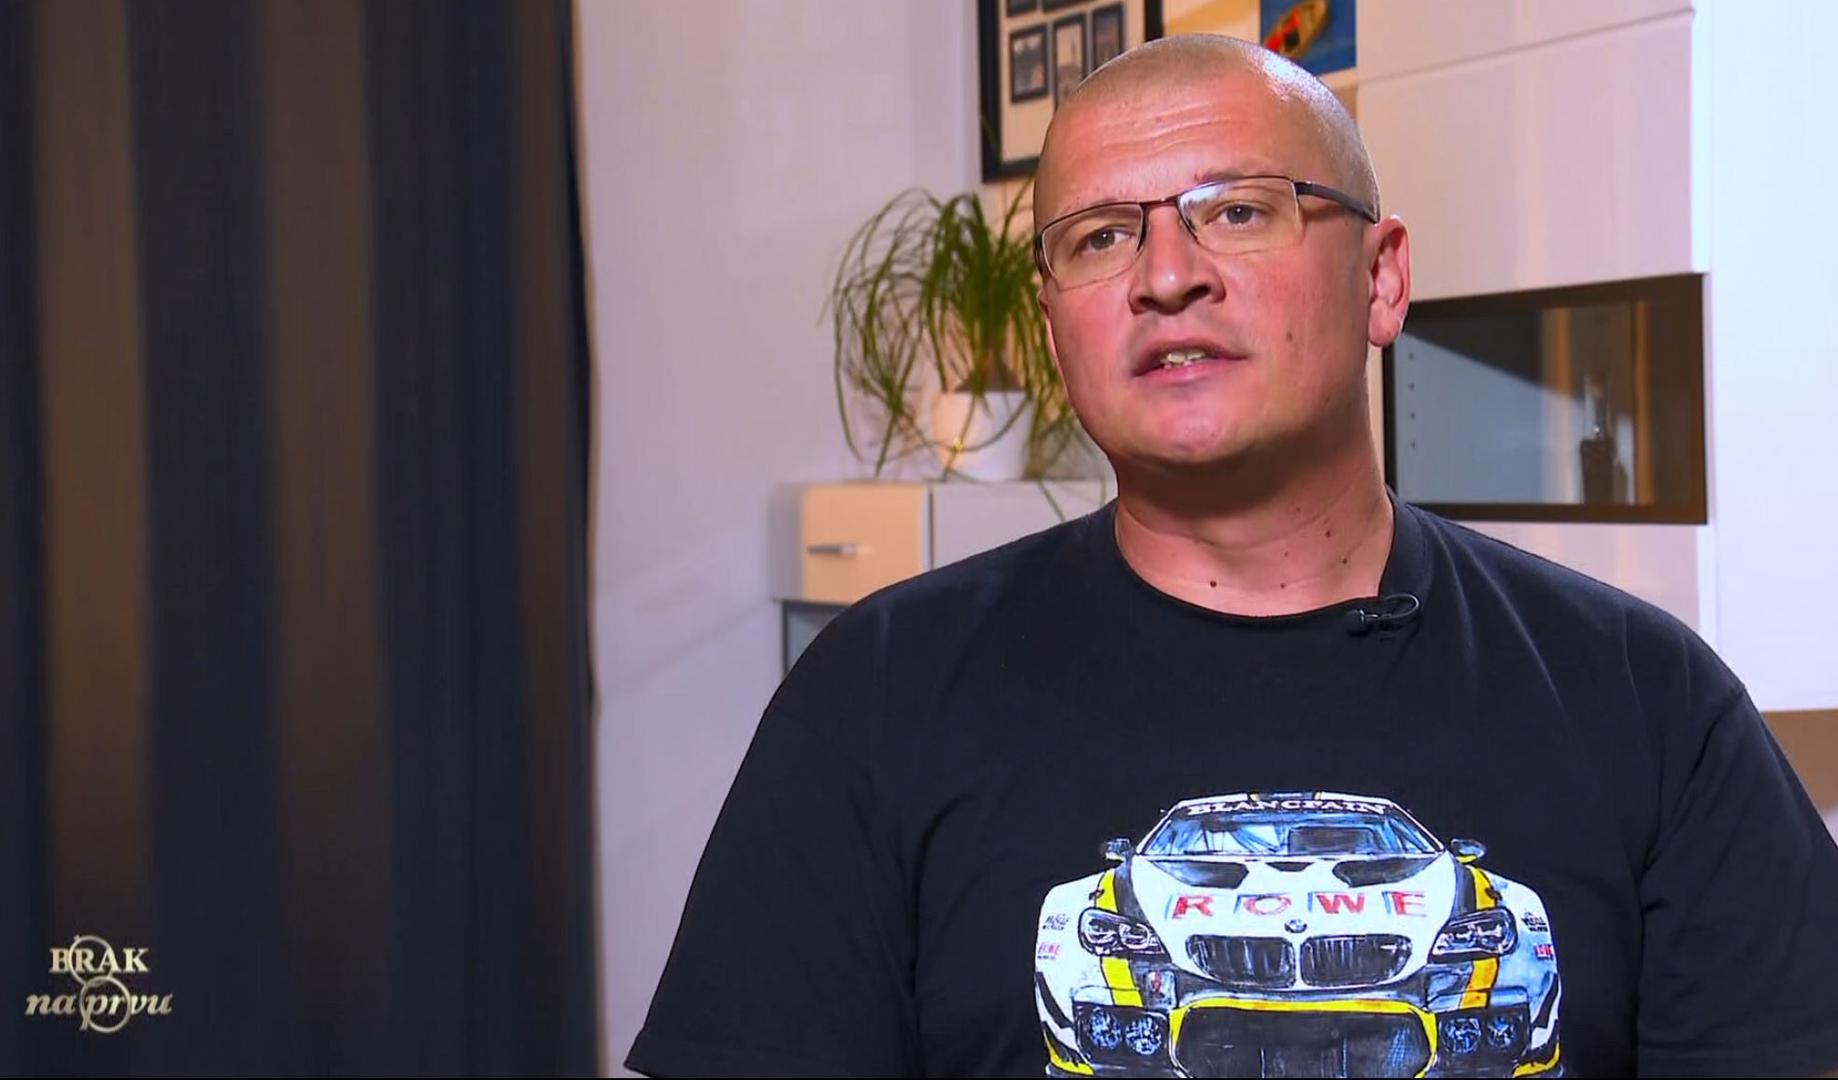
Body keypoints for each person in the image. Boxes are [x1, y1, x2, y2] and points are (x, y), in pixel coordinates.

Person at [627, 35, 1838, 1079]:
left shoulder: (1644, 700)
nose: (1165, 275)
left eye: (1239, 209)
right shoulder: (873, 697)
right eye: (1099, 237)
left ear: (1380, 278)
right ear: (1054, 326)